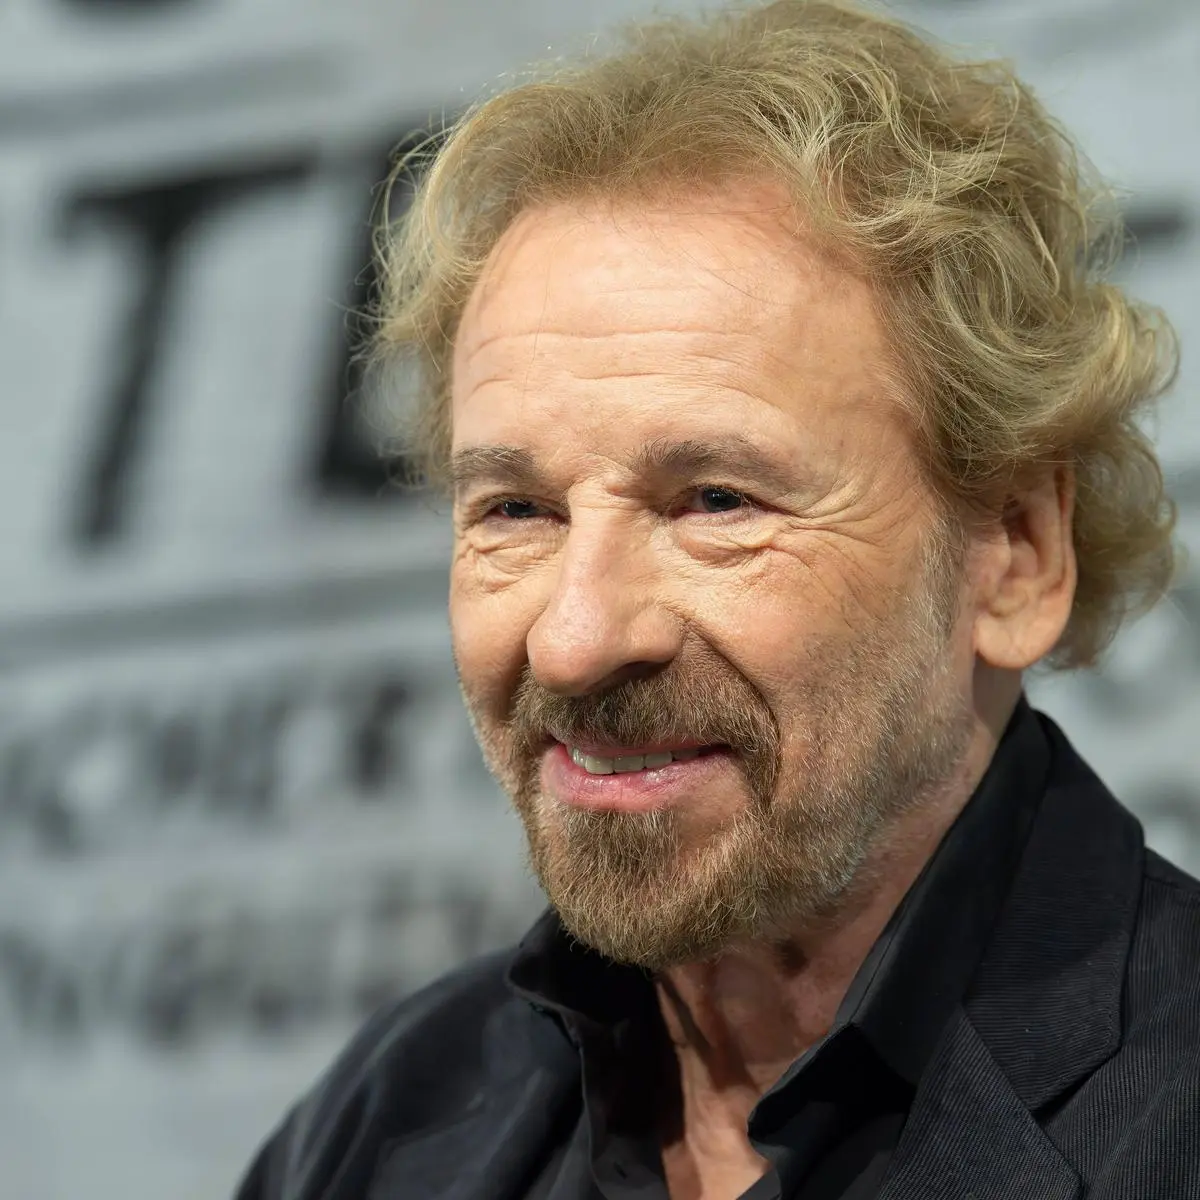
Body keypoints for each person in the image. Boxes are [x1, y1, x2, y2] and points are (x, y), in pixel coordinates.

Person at [235, 2, 1199, 1197]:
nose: (576, 639)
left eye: (716, 501)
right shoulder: (391, 1116)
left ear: (1016, 552)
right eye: (517, 510)